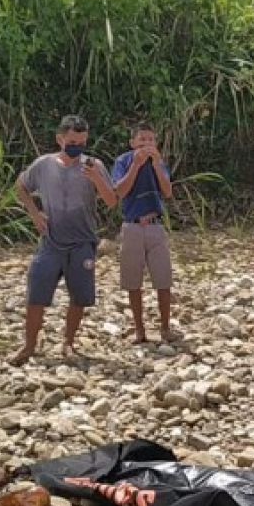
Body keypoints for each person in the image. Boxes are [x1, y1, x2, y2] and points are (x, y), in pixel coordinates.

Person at [9, 115, 117, 365]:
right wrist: (35, 213)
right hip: (51, 240)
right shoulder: (44, 165)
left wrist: (97, 180)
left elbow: (112, 202)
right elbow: (21, 186)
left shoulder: (94, 165)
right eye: (72, 141)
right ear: (60, 139)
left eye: (82, 141)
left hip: (82, 241)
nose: (77, 146)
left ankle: (68, 343)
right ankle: (28, 346)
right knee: (36, 293)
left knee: (79, 297)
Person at [112, 122, 176, 344]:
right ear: (132, 143)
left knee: (163, 279)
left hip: (156, 226)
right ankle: (139, 329)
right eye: (142, 140)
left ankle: (165, 327)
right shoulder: (123, 161)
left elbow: (167, 192)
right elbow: (119, 191)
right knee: (133, 282)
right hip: (132, 226)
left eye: (151, 140)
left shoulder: (158, 162)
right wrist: (136, 166)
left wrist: (157, 165)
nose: (147, 144)